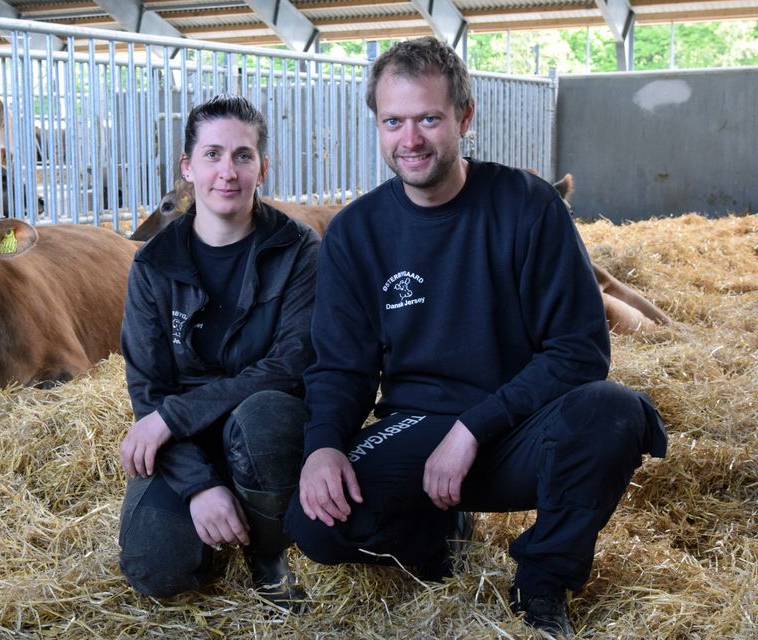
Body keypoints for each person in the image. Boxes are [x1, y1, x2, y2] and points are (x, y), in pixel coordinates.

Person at [283, 37, 667, 636]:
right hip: (417, 427)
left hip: (518, 430)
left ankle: (541, 585)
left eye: (429, 118)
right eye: (394, 121)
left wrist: (473, 427)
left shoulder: (529, 207)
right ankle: (435, 541)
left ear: (464, 116)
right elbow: (341, 367)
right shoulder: (356, 233)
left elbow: (580, 352)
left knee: (613, 411)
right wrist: (323, 445)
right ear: (378, 125)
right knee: (315, 526)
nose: (410, 140)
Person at [118, 95, 320, 610]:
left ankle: (267, 552)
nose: (227, 172)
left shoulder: (297, 249)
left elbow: (292, 363)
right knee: (155, 569)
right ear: (187, 167)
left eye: (243, 155)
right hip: (186, 444)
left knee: (267, 416)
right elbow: (149, 389)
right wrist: (198, 487)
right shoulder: (153, 266)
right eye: (211, 155)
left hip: (260, 423)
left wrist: (172, 417)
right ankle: (219, 523)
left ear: (262, 167)